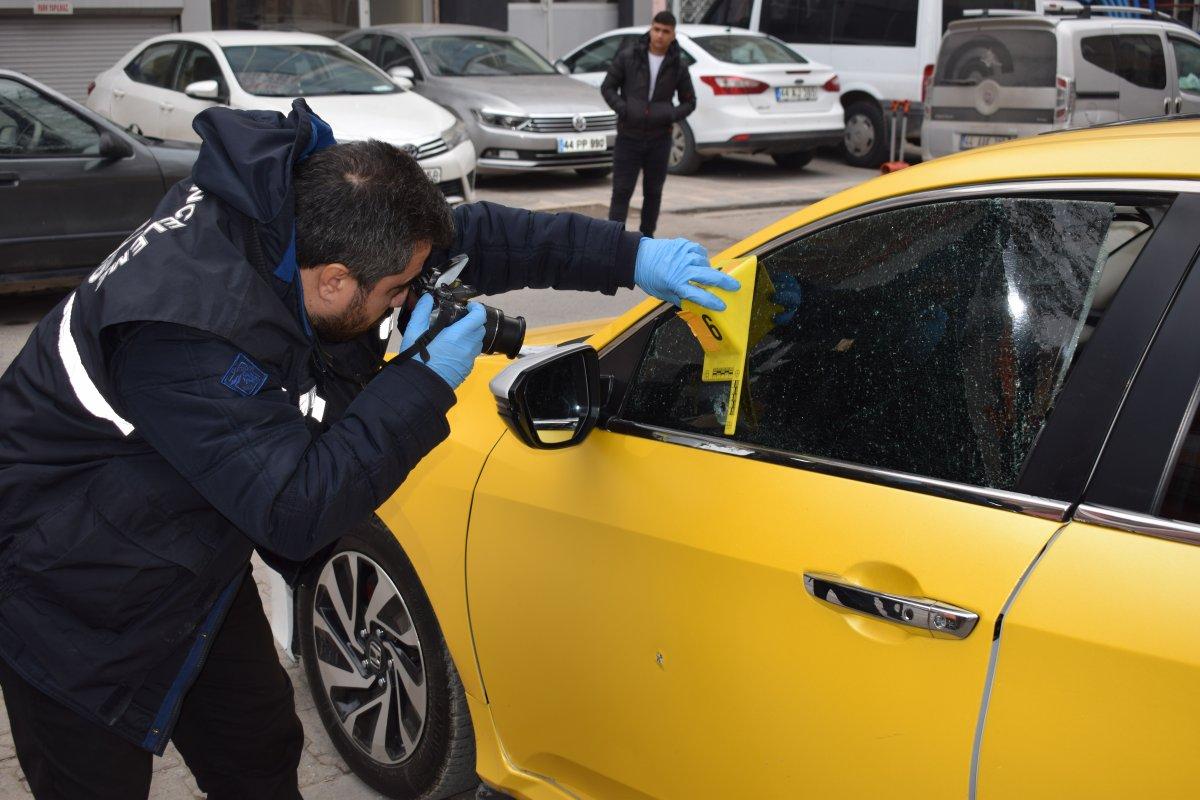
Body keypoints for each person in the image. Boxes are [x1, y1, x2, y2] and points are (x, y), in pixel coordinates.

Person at [0, 100, 738, 799]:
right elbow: (297, 509)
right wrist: (419, 379)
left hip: (190, 555)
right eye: (396, 294)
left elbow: (468, 238)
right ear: (333, 281)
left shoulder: (304, 211)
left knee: (256, 746)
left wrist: (633, 257)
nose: (405, 303)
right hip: (71, 594)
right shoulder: (186, 336)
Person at [602, 10, 697, 238]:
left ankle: (646, 240)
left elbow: (690, 101)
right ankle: (614, 240)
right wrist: (624, 109)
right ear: (651, 29)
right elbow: (608, 87)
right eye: (656, 29)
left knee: (653, 192)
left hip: (659, 138)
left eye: (666, 31)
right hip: (629, 136)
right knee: (622, 191)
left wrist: (668, 114)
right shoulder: (629, 56)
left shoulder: (677, 65)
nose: (660, 35)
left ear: (673, 35)